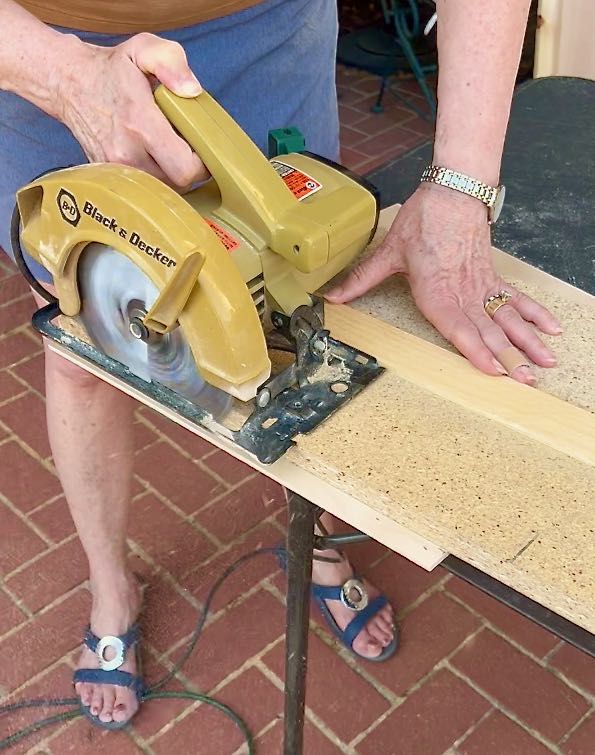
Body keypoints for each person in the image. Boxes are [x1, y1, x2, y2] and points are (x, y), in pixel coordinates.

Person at [0, 0, 560, 731]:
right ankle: (112, 589)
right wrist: (64, 74)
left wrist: (462, 184)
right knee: (83, 350)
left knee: (302, 295)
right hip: (42, 52)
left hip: (267, 30)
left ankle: (317, 540)